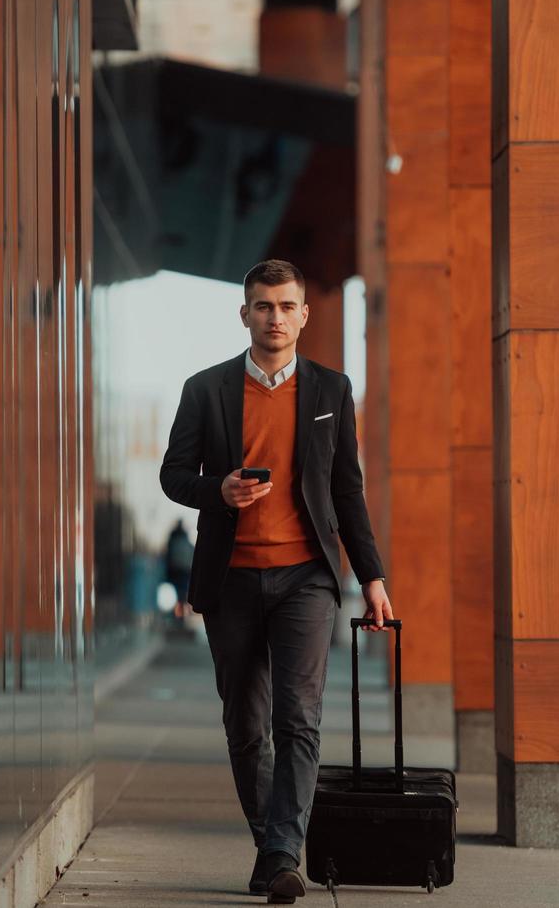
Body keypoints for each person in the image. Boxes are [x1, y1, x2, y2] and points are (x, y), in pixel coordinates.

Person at [159, 259, 392, 904]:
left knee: (299, 717)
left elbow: (349, 491)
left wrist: (371, 577)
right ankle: (274, 847)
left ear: (304, 315)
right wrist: (219, 490)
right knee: (245, 725)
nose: (276, 317)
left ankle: (286, 852)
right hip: (230, 579)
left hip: (306, 580)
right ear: (245, 314)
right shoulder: (205, 389)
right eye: (264, 306)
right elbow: (173, 476)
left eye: (287, 306)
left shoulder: (332, 391)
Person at [164, 519, 194, 619]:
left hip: (175, 570)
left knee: (177, 593)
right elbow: (191, 554)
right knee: (183, 593)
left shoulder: (172, 539)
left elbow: (168, 556)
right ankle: (183, 614)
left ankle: (177, 614)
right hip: (184, 570)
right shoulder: (186, 539)